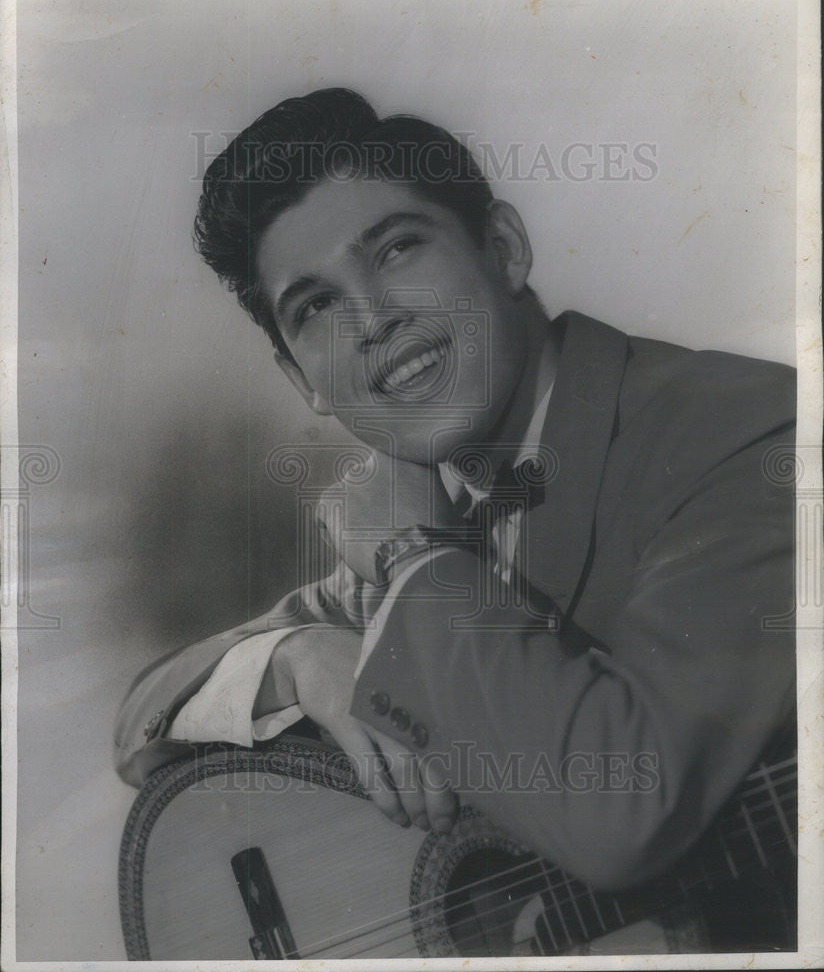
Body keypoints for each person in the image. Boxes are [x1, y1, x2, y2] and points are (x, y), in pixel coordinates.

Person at [114, 88, 796, 947]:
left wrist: (410, 553)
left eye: (397, 249)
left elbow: (623, 809)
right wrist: (297, 657)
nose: (372, 319)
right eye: (316, 305)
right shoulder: (439, 515)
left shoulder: (749, 433)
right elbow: (143, 717)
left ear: (505, 249)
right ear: (304, 384)